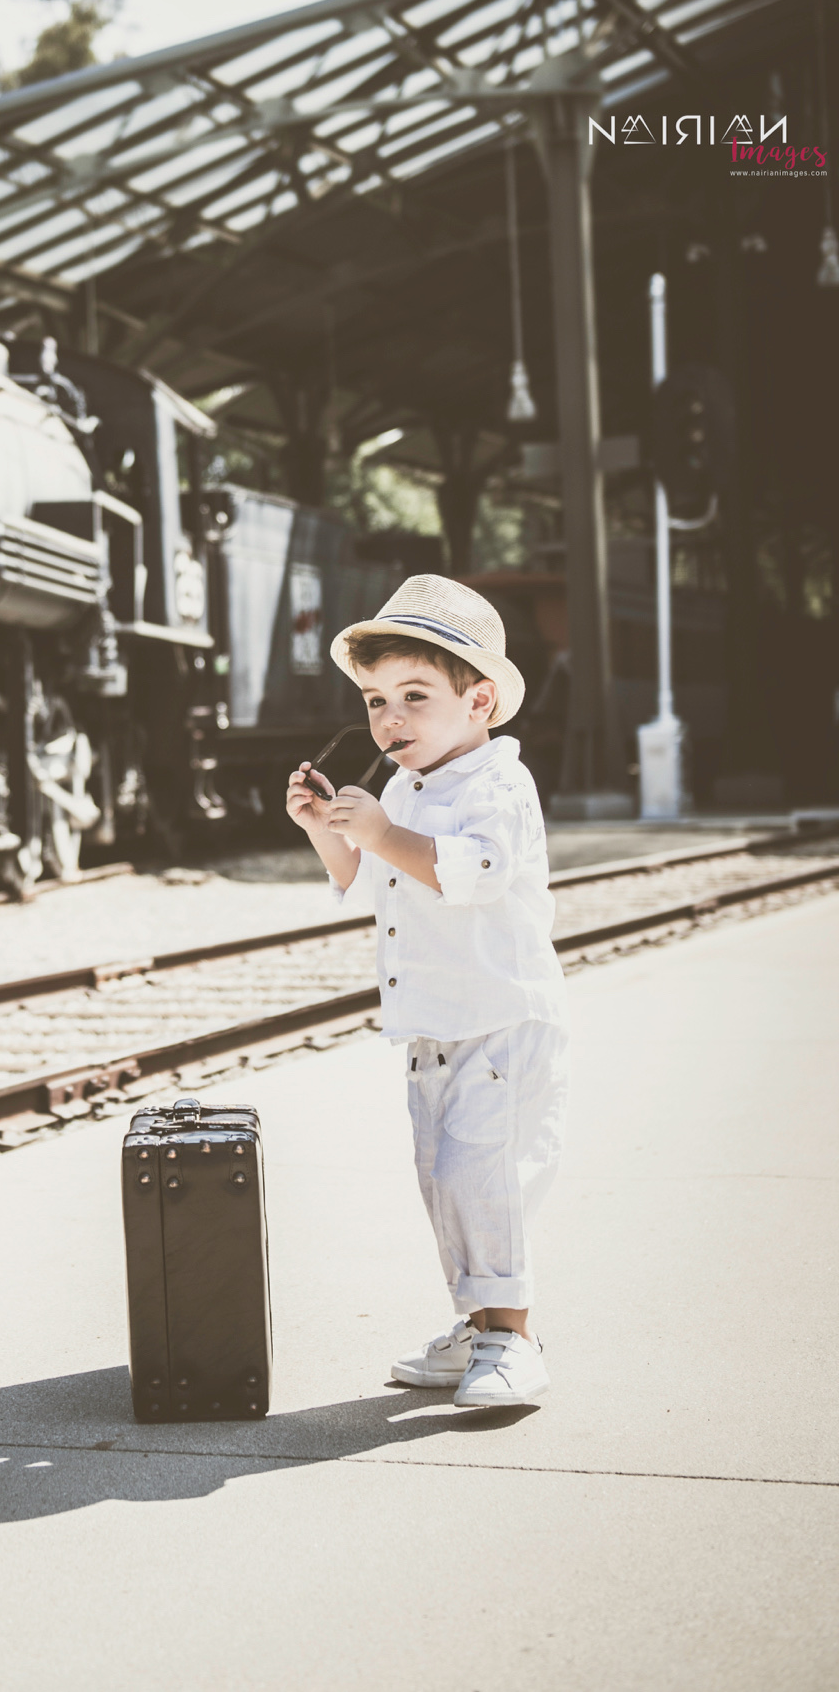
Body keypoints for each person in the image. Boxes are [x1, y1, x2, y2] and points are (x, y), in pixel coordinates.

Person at [286, 575, 567, 1408]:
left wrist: (380, 831)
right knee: (442, 1177)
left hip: (501, 1021)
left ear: (479, 701)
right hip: (434, 1024)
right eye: (376, 701)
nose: (390, 719)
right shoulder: (405, 789)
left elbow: (471, 873)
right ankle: (477, 1327)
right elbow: (372, 880)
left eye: (415, 696)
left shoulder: (497, 785)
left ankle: (514, 1339)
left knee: (488, 1178)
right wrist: (328, 832)